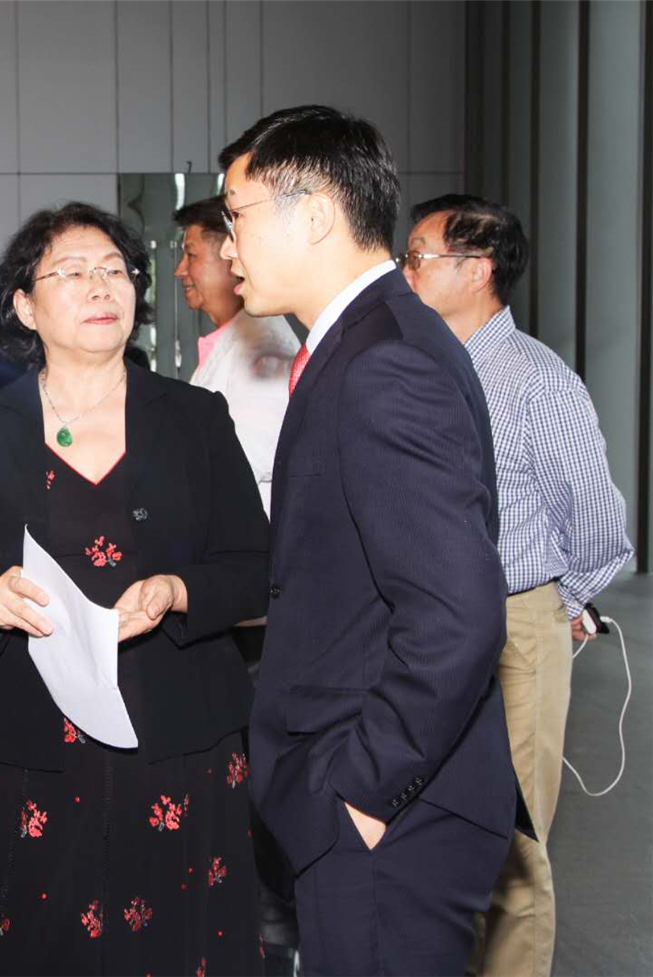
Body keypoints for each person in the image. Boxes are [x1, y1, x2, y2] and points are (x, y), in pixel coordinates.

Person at [0, 202, 270, 975]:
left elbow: (255, 566)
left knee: (181, 946)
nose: (101, 286)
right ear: (25, 306)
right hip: (33, 746)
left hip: (181, 740)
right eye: (71, 272)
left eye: (114, 270)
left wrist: (176, 589)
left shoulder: (195, 419)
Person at [221, 106, 529, 976]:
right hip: (383, 796)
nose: (228, 246)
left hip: (394, 809)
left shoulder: (384, 359)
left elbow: (458, 614)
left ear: (317, 213)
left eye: (236, 215)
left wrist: (361, 790)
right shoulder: (366, 339)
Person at [402, 193, 632, 977]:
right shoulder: (425, 366)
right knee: (443, 826)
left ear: (477, 269)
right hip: (431, 623)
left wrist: (562, 605)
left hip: (514, 624)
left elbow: (600, 524)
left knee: (516, 840)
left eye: (419, 256)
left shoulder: (537, 381)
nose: (405, 271)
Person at [174, 193, 300, 972]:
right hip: (238, 613)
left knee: (261, 800)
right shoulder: (227, 345)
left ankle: (273, 943)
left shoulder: (261, 355)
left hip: (256, 622)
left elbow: (241, 506)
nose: (184, 270)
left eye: (193, 252)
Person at [175, 195, 299, 516]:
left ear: (232, 256)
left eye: (191, 255)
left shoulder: (264, 344)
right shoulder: (234, 338)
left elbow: (250, 460)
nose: (180, 270)